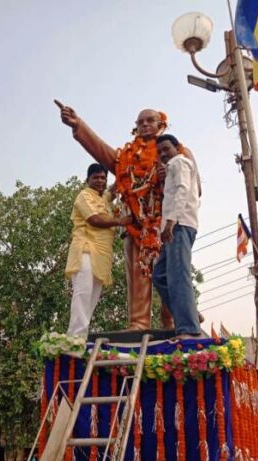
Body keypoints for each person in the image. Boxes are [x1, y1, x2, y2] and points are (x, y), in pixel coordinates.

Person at [57, 101, 200, 331]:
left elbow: (195, 188)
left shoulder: (178, 152)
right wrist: (79, 126)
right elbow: (104, 153)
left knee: (171, 274)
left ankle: (176, 321)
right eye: (140, 122)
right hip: (134, 225)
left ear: (161, 124)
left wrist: (166, 179)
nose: (145, 125)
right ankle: (139, 323)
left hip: (167, 223)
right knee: (138, 275)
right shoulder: (127, 157)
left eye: (150, 121)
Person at [65, 163, 132, 337]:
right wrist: (119, 222)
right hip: (85, 249)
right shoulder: (84, 196)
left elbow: (114, 189)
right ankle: (74, 338)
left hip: (102, 255)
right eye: (96, 177)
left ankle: (81, 337)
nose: (100, 180)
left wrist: (126, 167)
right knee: (82, 293)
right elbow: (94, 219)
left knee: (92, 298)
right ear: (88, 179)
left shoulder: (103, 198)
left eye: (103, 177)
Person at [152, 134, 202, 339]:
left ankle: (188, 329)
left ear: (177, 147)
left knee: (178, 275)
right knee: (160, 275)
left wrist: (171, 222)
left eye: (167, 149)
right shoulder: (170, 166)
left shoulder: (180, 161)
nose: (164, 153)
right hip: (171, 226)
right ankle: (190, 313)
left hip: (179, 225)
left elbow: (183, 190)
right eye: (160, 151)